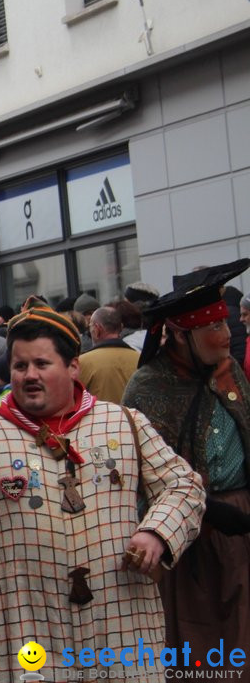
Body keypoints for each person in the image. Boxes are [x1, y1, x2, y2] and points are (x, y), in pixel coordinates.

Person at [0, 299, 205, 682]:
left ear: (73, 367)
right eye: (20, 365)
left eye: (42, 364)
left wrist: (156, 531)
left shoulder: (124, 423)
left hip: (122, 623)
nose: (30, 374)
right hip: (28, 629)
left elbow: (184, 486)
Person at [122, 259, 250, 664]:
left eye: (225, 324)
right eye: (213, 327)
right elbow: (138, 474)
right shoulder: (147, 388)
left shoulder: (230, 374)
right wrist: (201, 510)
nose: (226, 335)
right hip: (185, 535)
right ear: (179, 335)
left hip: (243, 527)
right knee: (200, 640)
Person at [78, 305, 138, 404]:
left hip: (100, 419)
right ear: (121, 327)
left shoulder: (83, 362)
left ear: (97, 329)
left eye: (90, 327)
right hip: (135, 419)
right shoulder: (139, 358)